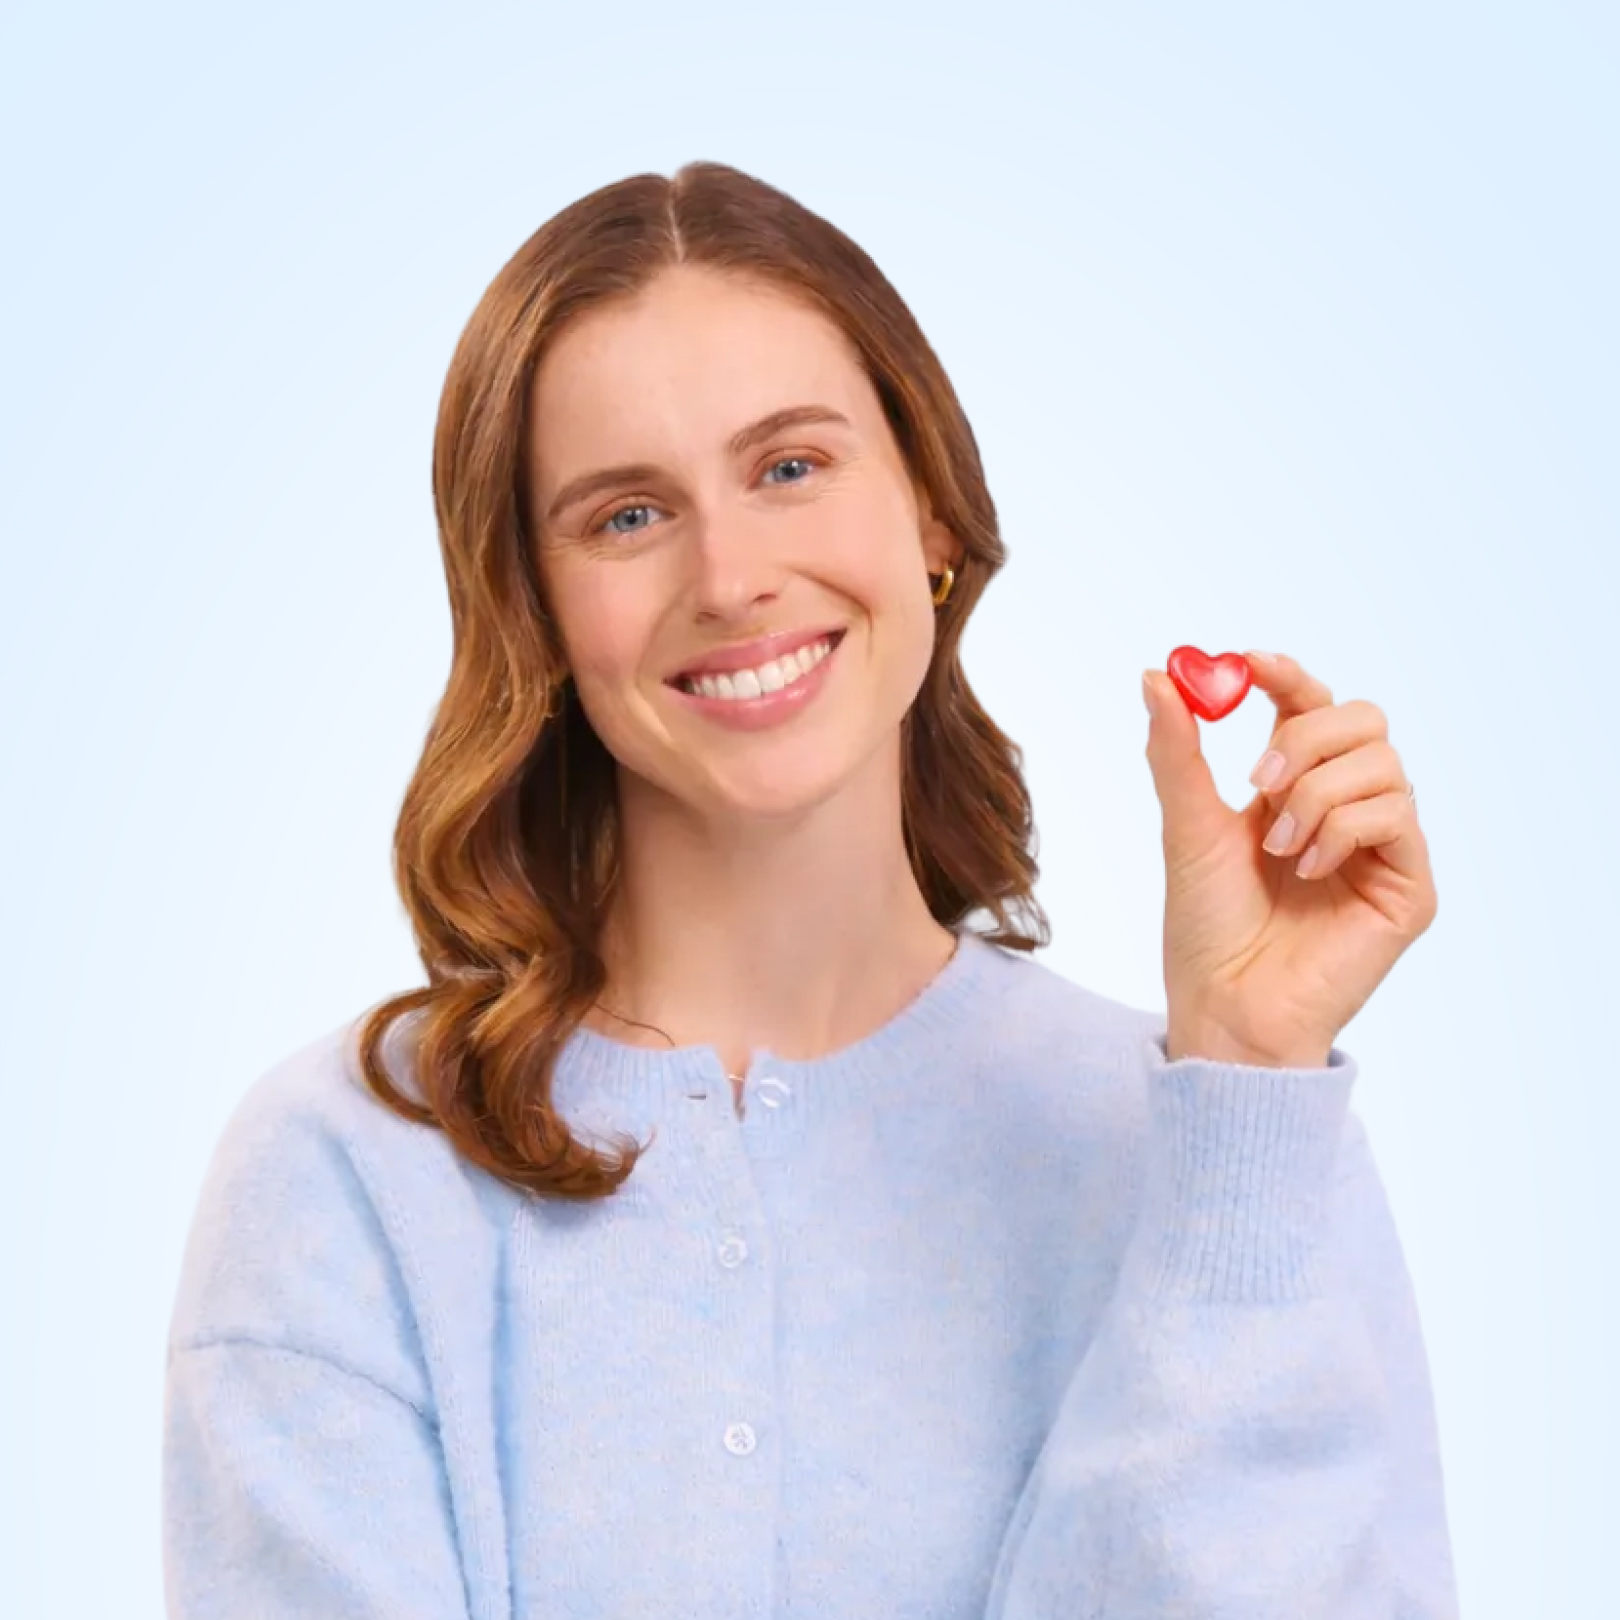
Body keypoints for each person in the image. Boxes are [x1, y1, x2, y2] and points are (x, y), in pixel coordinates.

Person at [161, 160, 1459, 1618]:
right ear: (531, 607)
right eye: (626, 516)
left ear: (933, 519)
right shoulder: (348, 1172)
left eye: (791, 467)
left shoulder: (1246, 1138)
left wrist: (1243, 1082)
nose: (730, 576)